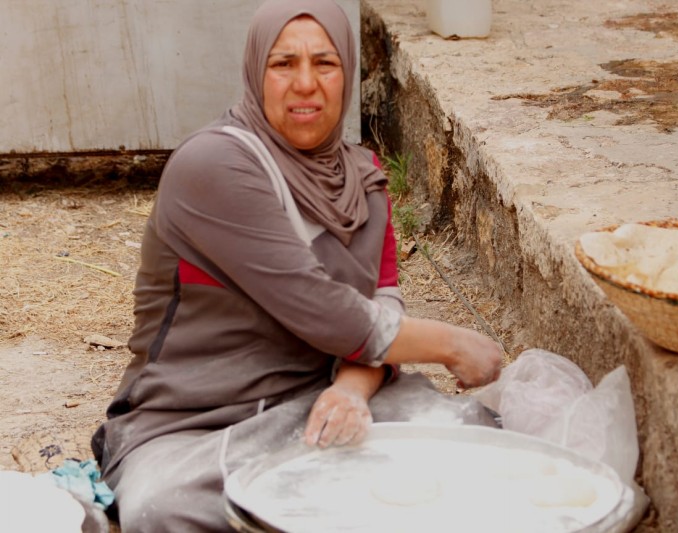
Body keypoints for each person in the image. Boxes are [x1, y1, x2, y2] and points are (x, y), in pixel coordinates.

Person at [91, 0, 504, 530]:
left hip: (321, 398)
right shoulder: (213, 165)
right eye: (283, 64)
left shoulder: (364, 177)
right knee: (163, 508)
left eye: (324, 64)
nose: (305, 84)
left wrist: (351, 390)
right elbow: (326, 311)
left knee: (474, 444)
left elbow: (382, 307)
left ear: (347, 73)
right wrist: (451, 344)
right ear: (255, 71)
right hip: (199, 423)